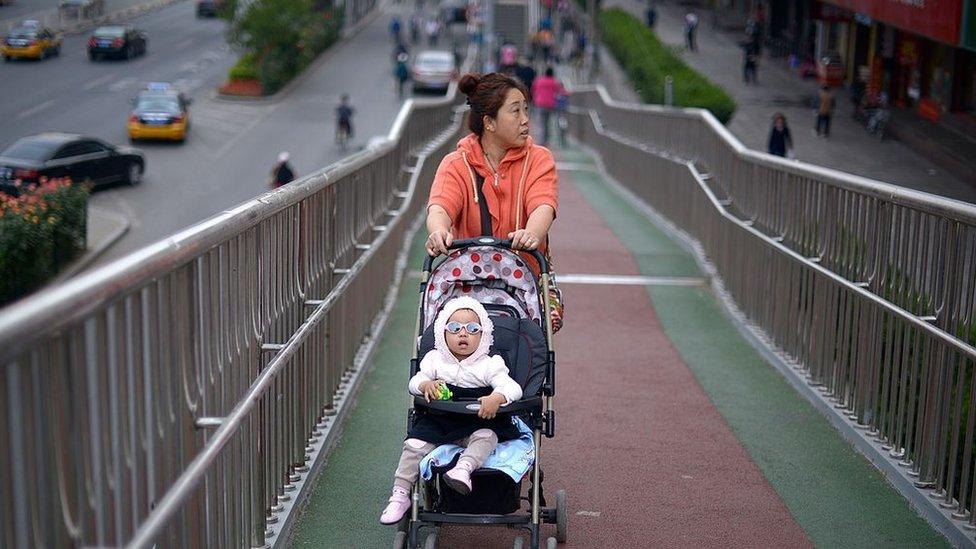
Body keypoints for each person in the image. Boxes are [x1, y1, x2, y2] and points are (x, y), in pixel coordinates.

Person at [379, 297, 524, 525]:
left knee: (488, 437)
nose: (463, 334)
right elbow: (414, 382)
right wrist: (426, 385)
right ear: (442, 333)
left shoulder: (490, 363)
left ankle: (463, 469)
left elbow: (512, 387)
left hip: (477, 421)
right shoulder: (434, 360)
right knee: (414, 445)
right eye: (455, 328)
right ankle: (400, 493)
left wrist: (497, 397)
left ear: (483, 335)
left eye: (472, 329)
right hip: (440, 421)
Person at [425, 72, 558, 278]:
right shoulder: (456, 163)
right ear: (489, 123)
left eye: (526, 110)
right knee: (463, 312)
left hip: (527, 283)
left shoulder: (539, 159)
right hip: (469, 280)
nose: (525, 120)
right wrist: (439, 231)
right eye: (515, 111)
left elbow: (543, 205)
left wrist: (531, 234)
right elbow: (440, 207)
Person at [531, 67, 567, 147]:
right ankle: (549, 139)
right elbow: (561, 91)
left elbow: (534, 90)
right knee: (550, 122)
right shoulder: (554, 82)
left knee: (542, 122)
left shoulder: (538, 81)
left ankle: (542, 140)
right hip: (550, 104)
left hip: (540, 104)